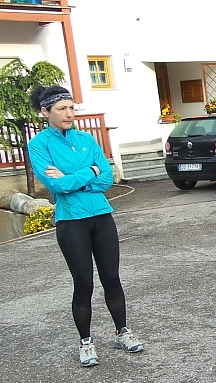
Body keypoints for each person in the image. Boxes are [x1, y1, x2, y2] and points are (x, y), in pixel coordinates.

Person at [28, 85, 144, 367]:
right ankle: (86, 342)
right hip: (71, 222)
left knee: (112, 279)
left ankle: (122, 331)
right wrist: (88, 172)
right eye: (62, 109)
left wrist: (78, 175)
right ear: (46, 112)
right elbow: (55, 185)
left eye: (71, 108)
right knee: (84, 284)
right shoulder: (39, 145)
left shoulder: (86, 138)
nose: (69, 114)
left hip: (102, 216)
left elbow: (106, 178)